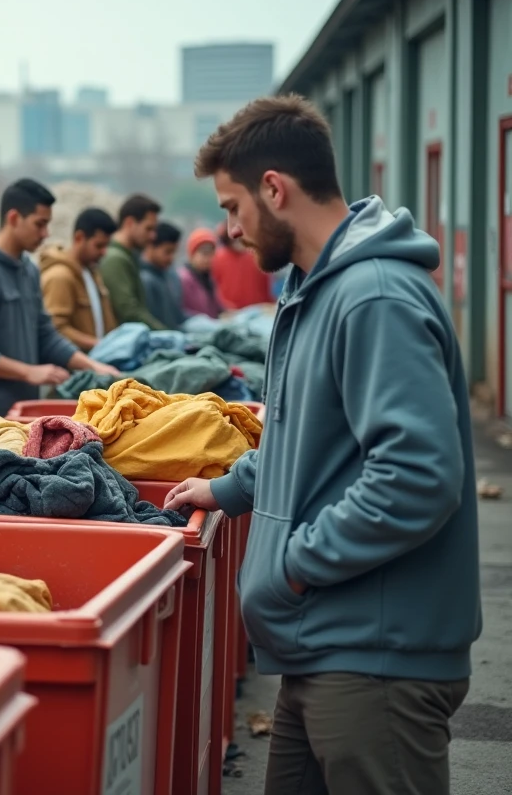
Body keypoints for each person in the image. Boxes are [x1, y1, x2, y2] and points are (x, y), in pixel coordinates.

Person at [164, 95, 479, 795]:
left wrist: (300, 562)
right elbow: (300, 430)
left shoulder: (373, 297)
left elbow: (418, 476)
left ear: (274, 189)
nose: (230, 230)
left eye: (233, 207)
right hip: (327, 644)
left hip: (376, 662)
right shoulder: (315, 290)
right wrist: (230, 489)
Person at [0, 178, 118, 417]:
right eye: (39, 224)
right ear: (13, 218)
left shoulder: (29, 271)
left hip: (25, 409)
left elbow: (45, 334)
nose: (46, 233)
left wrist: (93, 366)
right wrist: (28, 372)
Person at [40, 207, 119, 352]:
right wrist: (99, 345)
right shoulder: (60, 277)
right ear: (79, 238)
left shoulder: (91, 273)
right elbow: (56, 329)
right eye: (99, 245)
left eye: (107, 246)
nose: (104, 252)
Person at [100, 194, 165, 330]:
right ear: (129, 223)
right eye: (148, 229)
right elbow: (129, 311)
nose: (153, 236)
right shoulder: (115, 259)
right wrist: (165, 334)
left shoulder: (128, 256)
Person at [212, 219, 275, 309]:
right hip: (228, 315)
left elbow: (266, 289)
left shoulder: (259, 256)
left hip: (256, 314)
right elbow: (212, 289)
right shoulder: (217, 258)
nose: (238, 239)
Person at [139, 221, 187, 330]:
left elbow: (177, 315)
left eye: (173, 252)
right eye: (167, 252)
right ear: (150, 246)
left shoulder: (170, 275)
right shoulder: (145, 280)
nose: (171, 258)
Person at [178, 227, 224, 318]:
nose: (208, 259)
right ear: (192, 254)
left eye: (211, 254)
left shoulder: (207, 279)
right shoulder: (184, 279)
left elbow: (218, 308)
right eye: (204, 253)